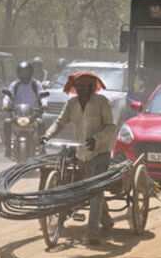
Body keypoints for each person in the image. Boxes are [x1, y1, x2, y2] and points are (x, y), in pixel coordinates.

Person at [41, 71, 117, 244]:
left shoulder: (102, 103)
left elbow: (111, 127)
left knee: (95, 192)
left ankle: (92, 233)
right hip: (82, 154)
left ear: (91, 88)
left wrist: (96, 140)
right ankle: (106, 221)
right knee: (93, 190)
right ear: (75, 88)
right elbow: (60, 122)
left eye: (86, 86)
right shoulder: (71, 104)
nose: (82, 89)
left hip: (100, 153)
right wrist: (47, 135)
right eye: (79, 86)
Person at [2, 61, 48, 158]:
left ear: (30, 72)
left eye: (26, 72)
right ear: (18, 73)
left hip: (33, 112)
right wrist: (5, 104)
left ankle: (42, 146)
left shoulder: (36, 84)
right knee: (7, 122)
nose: (24, 74)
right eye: (22, 72)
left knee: (41, 122)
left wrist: (44, 104)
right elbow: (8, 96)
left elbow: (42, 95)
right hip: (18, 112)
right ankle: (7, 147)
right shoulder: (15, 84)